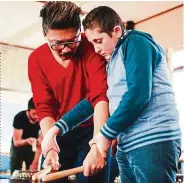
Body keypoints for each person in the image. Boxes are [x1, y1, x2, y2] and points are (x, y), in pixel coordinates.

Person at [42, 5, 182, 183]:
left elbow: (139, 94)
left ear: (116, 31)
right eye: (92, 43)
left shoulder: (137, 42)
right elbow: (93, 98)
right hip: (128, 145)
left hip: (153, 140)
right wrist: (56, 129)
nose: (96, 49)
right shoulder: (112, 60)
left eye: (98, 41)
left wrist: (105, 134)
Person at [28, 1, 112, 183]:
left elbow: (100, 96)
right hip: (57, 132)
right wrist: (49, 147)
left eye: (73, 41)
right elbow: (44, 106)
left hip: (93, 129)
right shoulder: (36, 59)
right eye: (57, 44)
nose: (66, 49)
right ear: (45, 35)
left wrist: (98, 145)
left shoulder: (91, 47)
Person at [10, 98, 40, 174]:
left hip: (32, 147)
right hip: (18, 147)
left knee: (31, 172)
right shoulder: (19, 117)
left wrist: (35, 163)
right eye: (34, 114)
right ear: (28, 110)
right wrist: (27, 140)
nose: (36, 117)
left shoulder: (42, 120)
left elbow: (40, 144)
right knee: (15, 172)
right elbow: (16, 142)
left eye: (38, 114)